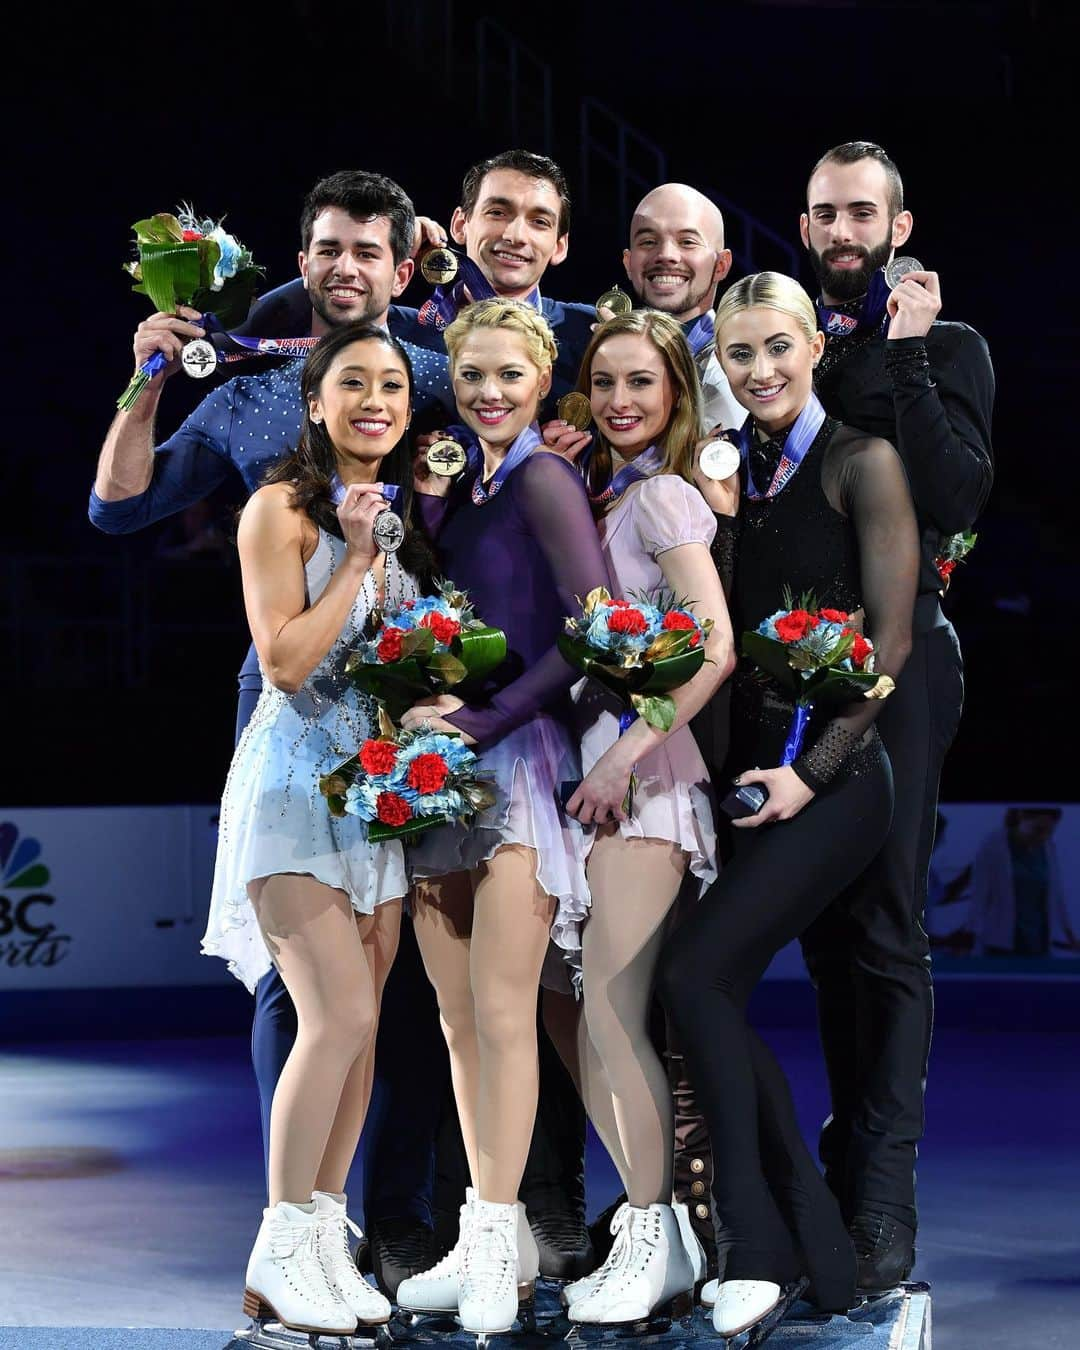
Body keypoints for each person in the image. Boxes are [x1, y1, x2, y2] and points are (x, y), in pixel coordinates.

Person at [90, 171, 455, 1297]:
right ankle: (296, 1229)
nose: (346, 266)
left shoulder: (435, 380)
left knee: (398, 989)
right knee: (305, 995)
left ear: (402, 270)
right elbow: (117, 506)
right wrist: (148, 377)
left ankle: (381, 1225)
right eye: (328, 247)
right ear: (302, 260)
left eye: (369, 252)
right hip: (293, 714)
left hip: (410, 714)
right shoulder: (252, 394)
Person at [658, 271, 919, 1343]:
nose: (758, 370)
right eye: (737, 354)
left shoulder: (864, 462)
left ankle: (758, 1249)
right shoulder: (735, 475)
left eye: (777, 348)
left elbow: (891, 644)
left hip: (841, 780)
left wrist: (814, 773)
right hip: (751, 776)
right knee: (695, 988)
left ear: (814, 346)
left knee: (693, 976)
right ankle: (809, 1244)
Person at [202, 322, 431, 1337]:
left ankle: (323, 1246)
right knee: (332, 1017)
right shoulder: (280, 511)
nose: (375, 398)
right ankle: (280, 1242)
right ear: (314, 400)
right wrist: (354, 562)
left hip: (373, 797)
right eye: (353, 383)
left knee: (364, 1028)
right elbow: (288, 661)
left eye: (391, 383)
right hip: (295, 787)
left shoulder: (400, 515)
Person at [796, 140, 995, 1291]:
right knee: (827, 932)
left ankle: (883, 1199)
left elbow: (961, 492)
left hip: (902, 653)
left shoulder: (949, 346)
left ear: (899, 226)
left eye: (861, 213)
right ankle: (832, 1162)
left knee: (886, 925)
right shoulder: (782, 336)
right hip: (789, 657)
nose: (842, 232)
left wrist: (908, 361)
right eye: (825, 213)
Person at [390, 299, 610, 1337]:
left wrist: (487, 721)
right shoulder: (456, 482)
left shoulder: (542, 477)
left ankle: (490, 1234)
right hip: (442, 768)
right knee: (455, 1019)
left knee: (507, 1012)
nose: (486, 392)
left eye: (507, 377)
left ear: (542, 376)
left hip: (515, 764)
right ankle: (502, 1235)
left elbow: (597, 631)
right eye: (469, 374)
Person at [552, 310, 735, 1326]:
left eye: (643, 384)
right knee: (580, 1012)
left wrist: (627, 753)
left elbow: (713, 648)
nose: (623, 400)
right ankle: (653, 1229)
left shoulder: (664, 495)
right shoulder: (603, 493)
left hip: (647, 777)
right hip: (587, 776)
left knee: (616, 1013)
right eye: (606, 380)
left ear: (674, 397)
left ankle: (656, 1230)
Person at [250, 149, 597, 405]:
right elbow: (257, 334)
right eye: (497, 212)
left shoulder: (588, 334)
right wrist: (381, 256)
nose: (516, 235)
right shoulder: (400, 330)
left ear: (560, 246)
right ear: (460, 225)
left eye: (539, 221)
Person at [621, 182, 742, 431]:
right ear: (628, 262)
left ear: (721, 265)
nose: (666, 254)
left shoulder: (741, 365)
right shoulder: (608, 355)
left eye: (687, 242)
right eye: (647, 241)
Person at [969, 808, 1076, 957]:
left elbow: (1057, 897)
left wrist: (1070, 936)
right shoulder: (993, 846)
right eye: (1038, 829)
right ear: (1021, 817)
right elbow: (979, 896)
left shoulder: (1047, 848)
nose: (1043, 837)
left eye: (1049, 831)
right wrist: (971, 933)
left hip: (1039, 943)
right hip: (999, 943)